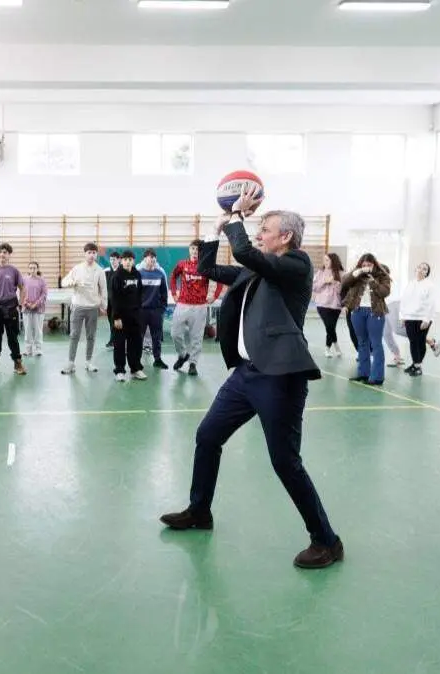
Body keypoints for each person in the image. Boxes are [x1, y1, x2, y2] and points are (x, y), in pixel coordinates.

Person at [160, 187, 342, 569]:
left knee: (285, 462)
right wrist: (215, 229)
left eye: (266, 229)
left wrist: (238, 216)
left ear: (286, 237)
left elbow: (244, 251)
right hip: (245, 375)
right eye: (258, 229)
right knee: (208, 436)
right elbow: (208, 270)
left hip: (280, 377)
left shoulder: (297, 264)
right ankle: (199, 511)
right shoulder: (257, 268)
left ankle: (327, 541)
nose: (259, 234)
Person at [340, 253, 392, 386]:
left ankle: (377, 377)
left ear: (374, 264)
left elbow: (384, 292)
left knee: (376, 343)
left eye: (369, 264)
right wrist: (356, 273)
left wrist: (373, 282)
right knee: (362, 342)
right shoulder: (357, 275)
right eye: (364, 265)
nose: (366, 267)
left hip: (375, 312)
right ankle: (363, 373)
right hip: (357, 311)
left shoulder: (382, 275)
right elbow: (344, 283)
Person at [60, 243, 108, 374]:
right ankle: (71, 363)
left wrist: (104, 306)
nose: (92, 255)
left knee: (91, 336)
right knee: (74, 335)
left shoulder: (100, 270)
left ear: (96, 254)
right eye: (89, 252)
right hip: (78, 307)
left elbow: (104, 289)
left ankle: (88, 361)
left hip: (92, 308)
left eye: (94, 253)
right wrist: (72, 283)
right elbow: (63, 282)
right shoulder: (77, 268)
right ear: (85, 254)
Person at [0, 243, 27, 375]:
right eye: (0, 252)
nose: (2, 254)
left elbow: (23, 288)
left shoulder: (14, 271)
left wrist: (20, 304)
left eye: (5, 252)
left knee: (12, 337)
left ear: (9, 255)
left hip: (11, 308)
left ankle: (17, 363)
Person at [170, 239, 212, 376]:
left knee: (196, 337)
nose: (195, 251)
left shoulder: (206, 266)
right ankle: (182, 355)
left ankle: (193, 363)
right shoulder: (182, 264)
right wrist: (174, 293)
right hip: (183, 304)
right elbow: (173, 276)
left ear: (201, 252)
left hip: (199, 307)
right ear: (189, 250)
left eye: (198, 249)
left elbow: (219, 281)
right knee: (175, 333)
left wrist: (215, 296)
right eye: (193, 248)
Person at [398, 261, 440, 377]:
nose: (421, 270)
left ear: (427, 273)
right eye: (419, 267)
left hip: (423, 318)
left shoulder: (430, 285)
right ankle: (415, 364)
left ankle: (417, 366)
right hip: (409, 317)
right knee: (413, 341)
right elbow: (404, 300)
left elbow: (431, 304)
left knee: (420, 341)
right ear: (416, 269)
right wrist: (402, 316)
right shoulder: (410, 284)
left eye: (424, 269)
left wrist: (426, 319)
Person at [109, 250, 145, 381]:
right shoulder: (117, 276)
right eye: (125, 260)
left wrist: (139, 311)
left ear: (133, 261)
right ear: (121, 261)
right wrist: (116, 317)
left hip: (135, 315)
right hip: (120, 316)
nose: (128, 262)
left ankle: (135, 369)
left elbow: (140, 293)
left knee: (135, 343)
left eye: (130, 259)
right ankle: (119, 370)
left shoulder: (137, 274)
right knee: (119, 344)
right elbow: (114, 298)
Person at [137, 249, 169, 369]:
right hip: (142, 312)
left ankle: (157, 359)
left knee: (157, 337)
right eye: (150, 257)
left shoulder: (160, 274)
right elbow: (134, 294)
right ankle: (137, 361)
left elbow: (164, 293)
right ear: (145, 259)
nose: (153, 259)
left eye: (154, 257)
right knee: (139, 337)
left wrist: (162, 309)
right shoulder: (138, 274)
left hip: (156, 311)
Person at [311, 252, 344, 358]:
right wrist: (324, 281)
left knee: (331, 327)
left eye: (327, 260)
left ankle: (329, 347)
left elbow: (342, 291)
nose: (325, 262)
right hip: (322, 304)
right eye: (324, 260)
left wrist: (335, 283)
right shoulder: (320, 273)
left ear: (333, 261)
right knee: (329, 326)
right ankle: (333, 346)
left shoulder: (341, 273)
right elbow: (314, 288)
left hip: (336, 305)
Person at [21, 261, 49, 357]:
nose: (32, 270)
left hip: (38, 310)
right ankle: (28, 350)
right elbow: (21, 293)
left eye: (34, 268)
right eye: (31, 268)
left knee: (38, 330)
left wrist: (36, 304)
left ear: (37, 269)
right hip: (26, 309)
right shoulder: (24, 280)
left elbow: (44, 294)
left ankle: (38, 349)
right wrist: (26, 303)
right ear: (28, 269)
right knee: (27, 330)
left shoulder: (42, 281)